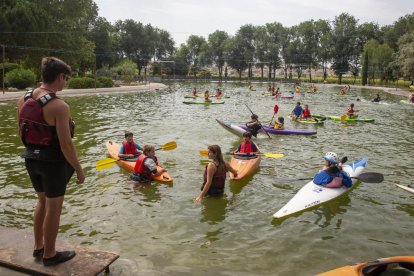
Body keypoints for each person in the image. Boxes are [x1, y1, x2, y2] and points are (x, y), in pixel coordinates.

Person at [17, 57, 84, 266]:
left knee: (42, 202)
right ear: (60, 77)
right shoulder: (59, 106)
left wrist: (32, 151)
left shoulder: (24, 98)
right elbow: (66, 145)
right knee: (54, 208)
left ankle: (39, 247)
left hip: (30, 158)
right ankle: (50, 255)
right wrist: (79, 170)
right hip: (52, 164)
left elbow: (21, 131)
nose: (66, 83)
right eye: (66, 79)